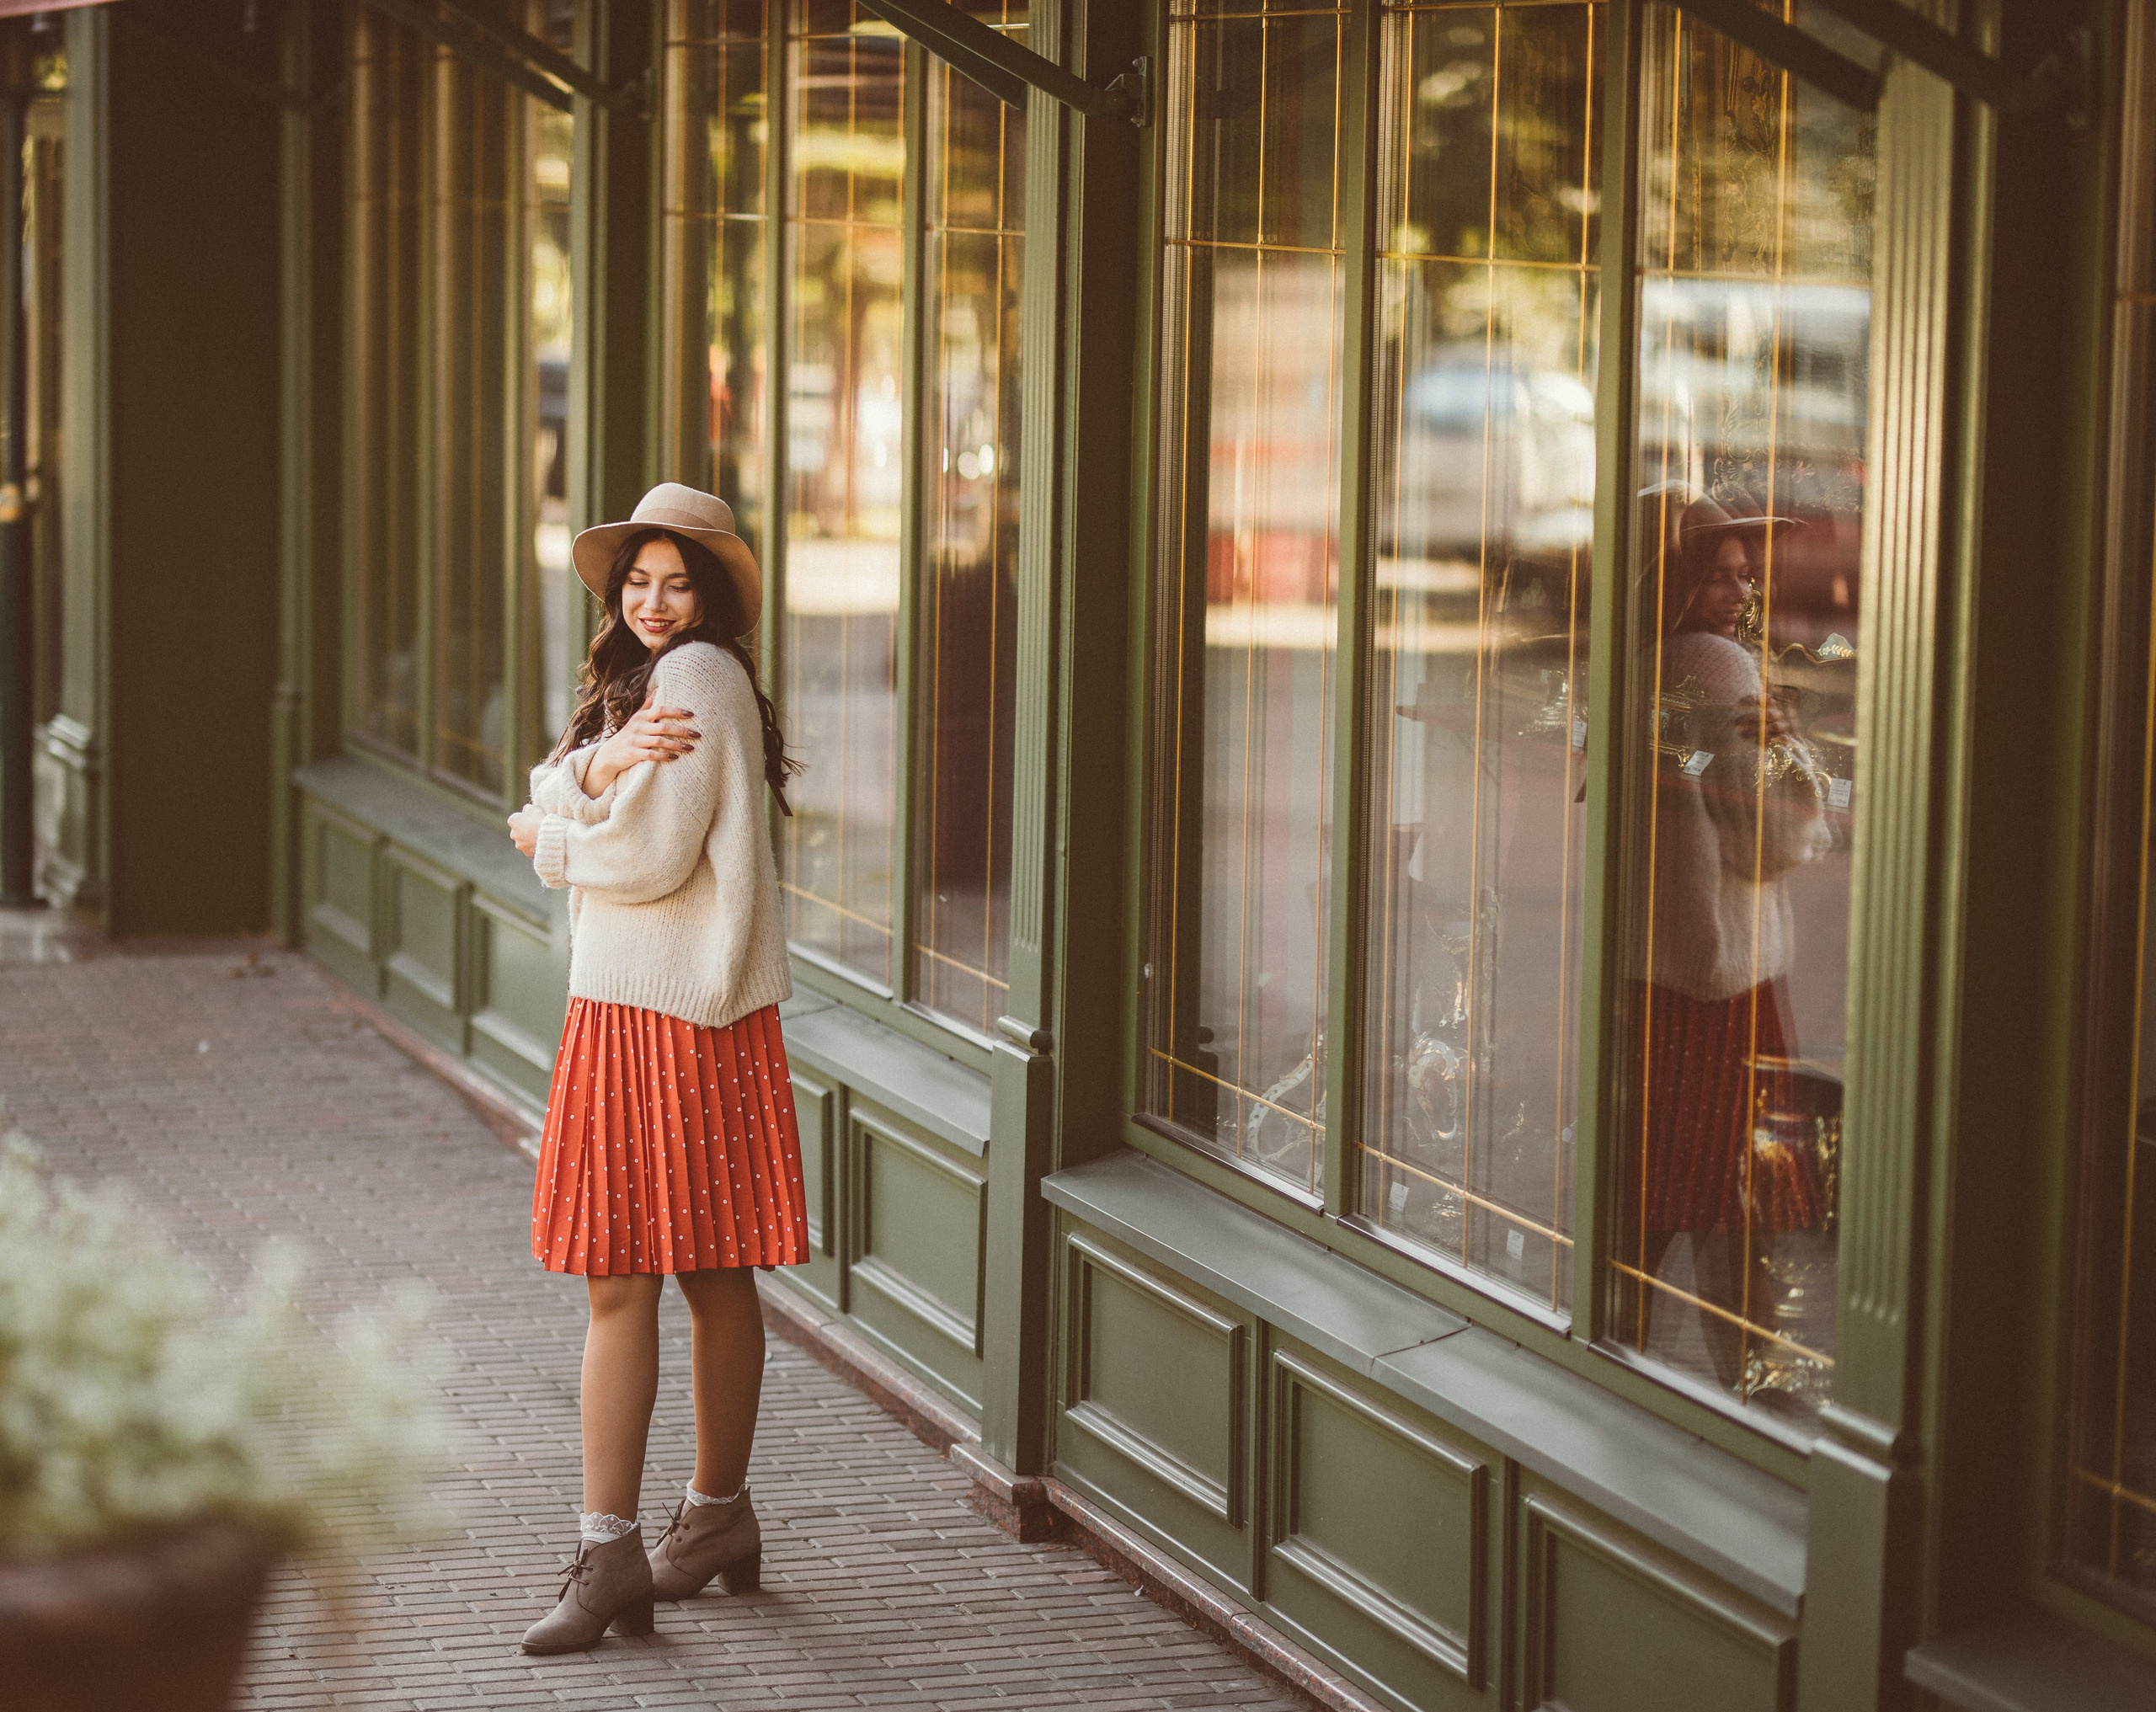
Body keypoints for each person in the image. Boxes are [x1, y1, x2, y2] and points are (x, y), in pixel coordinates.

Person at [505, 483, 808, 1654]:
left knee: (627, 1278)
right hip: (665, 1010)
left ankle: (614, 1549)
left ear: (713, 593)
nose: (654, 600)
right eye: (639, 580)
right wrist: (591, 771)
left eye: (679, 582)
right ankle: (713, 1518)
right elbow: (547, 781)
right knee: (707, 1273)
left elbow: (648, 852)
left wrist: (556, 835)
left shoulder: (697, 676)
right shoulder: (643, 685)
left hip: (662, 1014)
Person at [1628, 494, 1832, 1393]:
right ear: (1677, 581)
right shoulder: (1720, 665)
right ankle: (1756, 1389)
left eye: (1745, 577)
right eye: (1719, 575)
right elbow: (1776, 838)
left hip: (1651, 975)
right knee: (1736, 1198)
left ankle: (1612, 1361)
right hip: (1722, 981)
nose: (1739, 594)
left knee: (1652, 1195)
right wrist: (1796, 757)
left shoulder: (1636, 665)